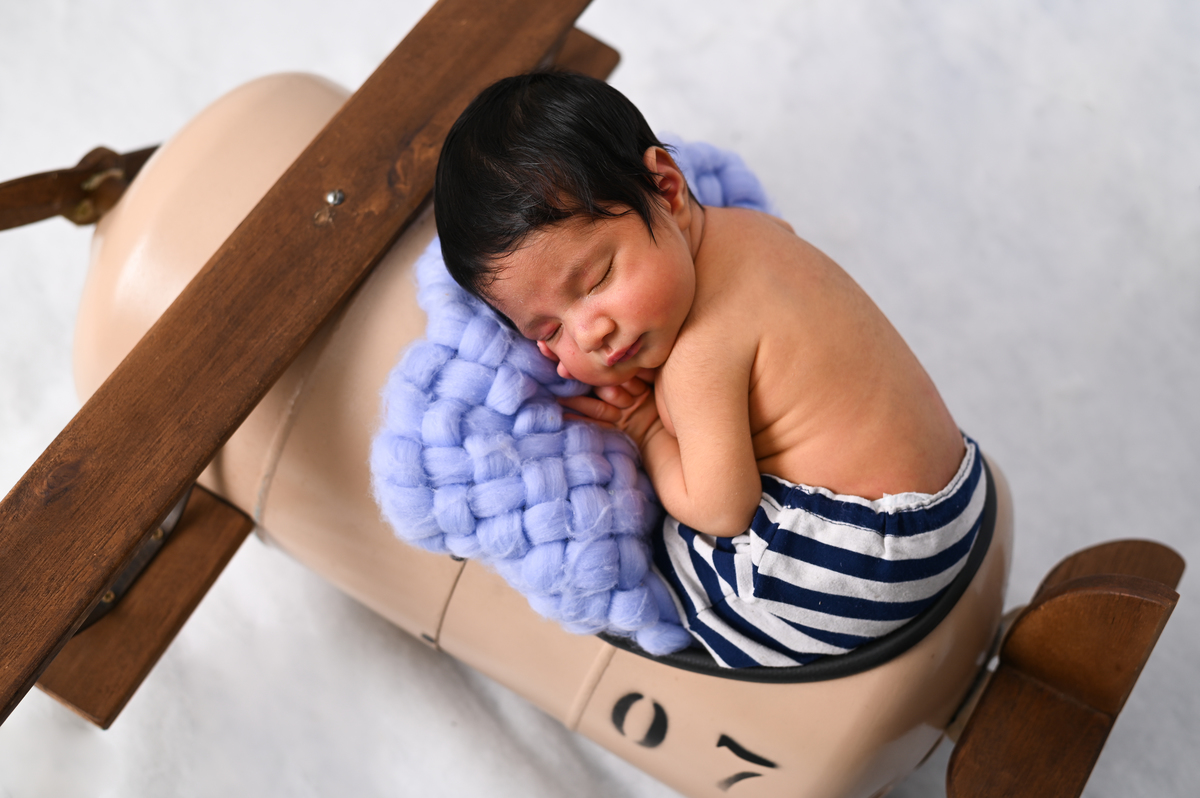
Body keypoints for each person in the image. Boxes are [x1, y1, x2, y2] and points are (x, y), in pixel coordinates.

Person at [434, 71, 987, 668]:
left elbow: (722, 510)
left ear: (667, 190)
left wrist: (648, 430)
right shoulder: (756, 231)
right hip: (959, 497)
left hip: (869, 568)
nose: (590, 333)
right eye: (548, 332)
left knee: (664, 559)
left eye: (596, 280)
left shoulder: (699, 354)